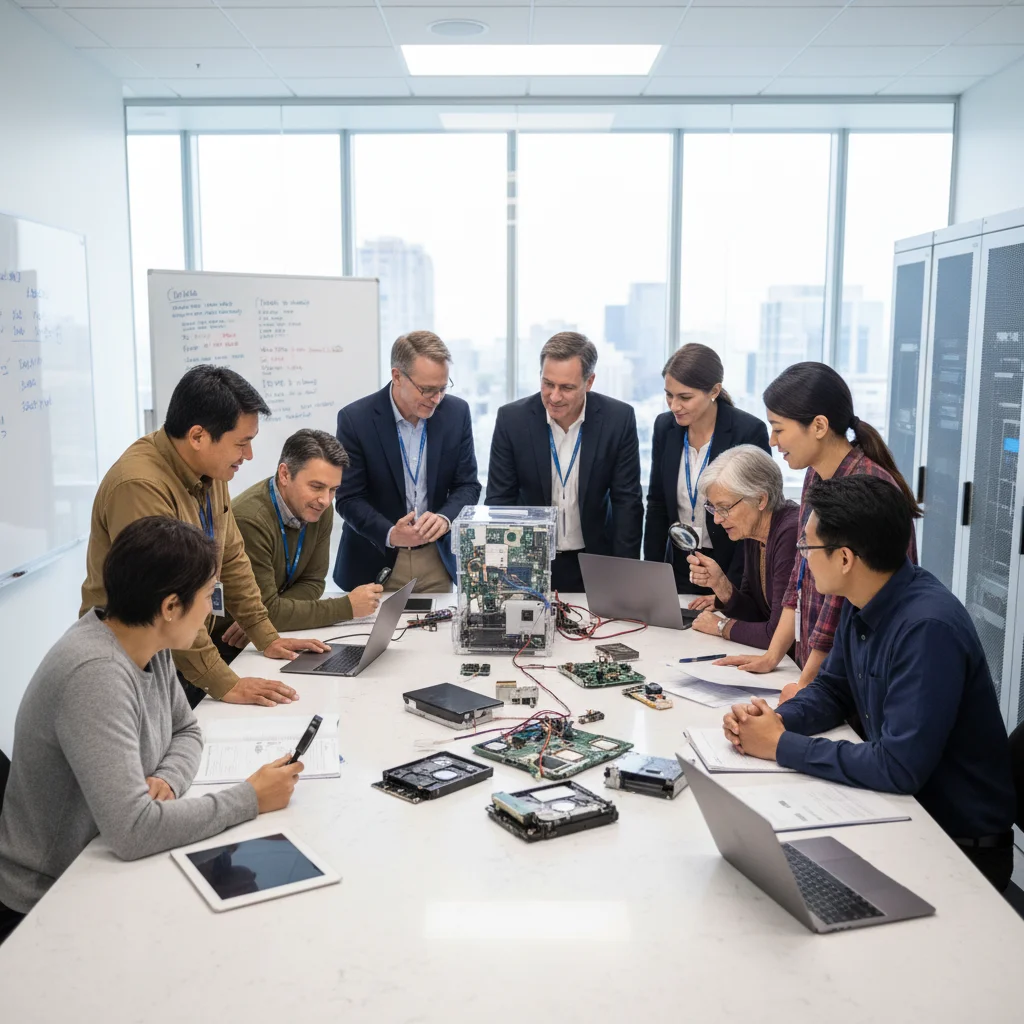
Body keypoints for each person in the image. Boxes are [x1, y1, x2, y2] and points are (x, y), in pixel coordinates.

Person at [0, 518, 306, 945]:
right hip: (49, 900)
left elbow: (187, 731)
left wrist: (166, 778)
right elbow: (134, 831)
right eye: (206, 598)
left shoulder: (146, 639)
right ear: (169, 607)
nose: (210, 610)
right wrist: (250, 798)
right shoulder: (97, 674)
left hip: (100, 859)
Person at [722, 476, 1016, 891]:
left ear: (845, 558)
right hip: (903, 816)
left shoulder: (926, 629)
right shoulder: (864, 598)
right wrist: (773, 721)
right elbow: (832, 690)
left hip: (957, 850)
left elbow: (898, 767)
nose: (802, 560)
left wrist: (780, 745)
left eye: (807, 548)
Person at [81, 365, 328, 709]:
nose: (249, 456)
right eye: (242, 443)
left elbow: (230, 557)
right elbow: (166, 600)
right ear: (197, 436)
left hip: (178, 652)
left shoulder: (211, 471)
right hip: (127, 665)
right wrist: (225, 682)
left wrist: (265, 635)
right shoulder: (140, 486)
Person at [716, 361, 920, 700]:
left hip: (855, 670)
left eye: (779, 429)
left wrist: (808, 683)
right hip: (817, 666)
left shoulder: (863, 486)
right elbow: (800, 577)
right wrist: (772, 656)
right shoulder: (816, 474)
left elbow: (840, 607)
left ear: (819, 426)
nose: (772, 440)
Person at [485, 331, 643, 593]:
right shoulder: (512, 420)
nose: (554, 397)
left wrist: (624, 574)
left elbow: (627, 502)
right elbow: (500, 501)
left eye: (567, 387)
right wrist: (501, 570)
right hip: (527, 564)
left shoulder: (618, 419)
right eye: (548, 384)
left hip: (595, 560)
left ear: (589, 382)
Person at [213, 429, 384, 659]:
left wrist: (270, 614)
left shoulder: (319, 511)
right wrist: (347, 607)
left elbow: (313, 582)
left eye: (333, 489)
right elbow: (268, 611)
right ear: (284, 474)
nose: (325, 500)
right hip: (230, 650)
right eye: (316, 486)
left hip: (267, 638)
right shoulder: (250, 520)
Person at [333, 331, 481, 594]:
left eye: (442, 388)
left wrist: (445, 518)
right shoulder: (356, 420)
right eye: (426, 389)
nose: (436, 398)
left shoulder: (456, 413)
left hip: (437, 559)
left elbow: (468, 485)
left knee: (438, 633)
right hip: (375, 560)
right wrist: (391, 533)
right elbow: (348, 498)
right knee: (373, 635)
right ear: (397, 376)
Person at [644, 344, 770, 596]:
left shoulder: (747, 431)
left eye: (685, 397)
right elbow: (657, 504)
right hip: (679, 564)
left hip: (729, 565)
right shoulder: (664, 427)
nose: (674, 406)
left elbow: (756, 517)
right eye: (669, 395)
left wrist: (728, 588)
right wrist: (652, 575)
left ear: (714, 390)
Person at [686, 445, 798, 651]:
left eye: (724, 508)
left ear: (760, 499)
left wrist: (721, 626)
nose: (717, 519)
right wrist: (721, 585)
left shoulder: (791, 533)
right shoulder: (753, 531)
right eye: (713, 508)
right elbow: (756, 615)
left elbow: (779, 635)